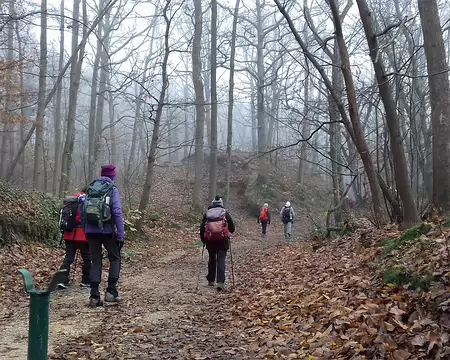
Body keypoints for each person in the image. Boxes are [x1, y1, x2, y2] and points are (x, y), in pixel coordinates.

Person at [82, 164, 125, 307]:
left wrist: (85, 229)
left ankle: (94, 296)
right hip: (107, 231)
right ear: (113, 176)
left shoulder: (91, 188)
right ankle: (111, 292)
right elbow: (117, 211)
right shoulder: (112, 189)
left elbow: (83, 211)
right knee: (115, 258)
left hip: (90, 232)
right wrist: (121, 233)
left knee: (96, 261)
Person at [200, 196, 235, 291]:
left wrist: (203, 240)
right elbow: (232, 228)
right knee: (221, 260)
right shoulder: (225, 212)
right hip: (223, 241)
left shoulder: (208, 213)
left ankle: (211, 280)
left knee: (212, 259)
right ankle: (220, 282)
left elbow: (202, 228)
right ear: (221, 204)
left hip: (210, 241)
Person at [57, 188, 90, 290]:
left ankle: (62, 280)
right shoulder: (88, 201)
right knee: (87, 258)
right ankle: (86, 280)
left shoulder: (71, 200)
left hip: (69, 233)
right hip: (83, 235)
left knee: (68, 257)